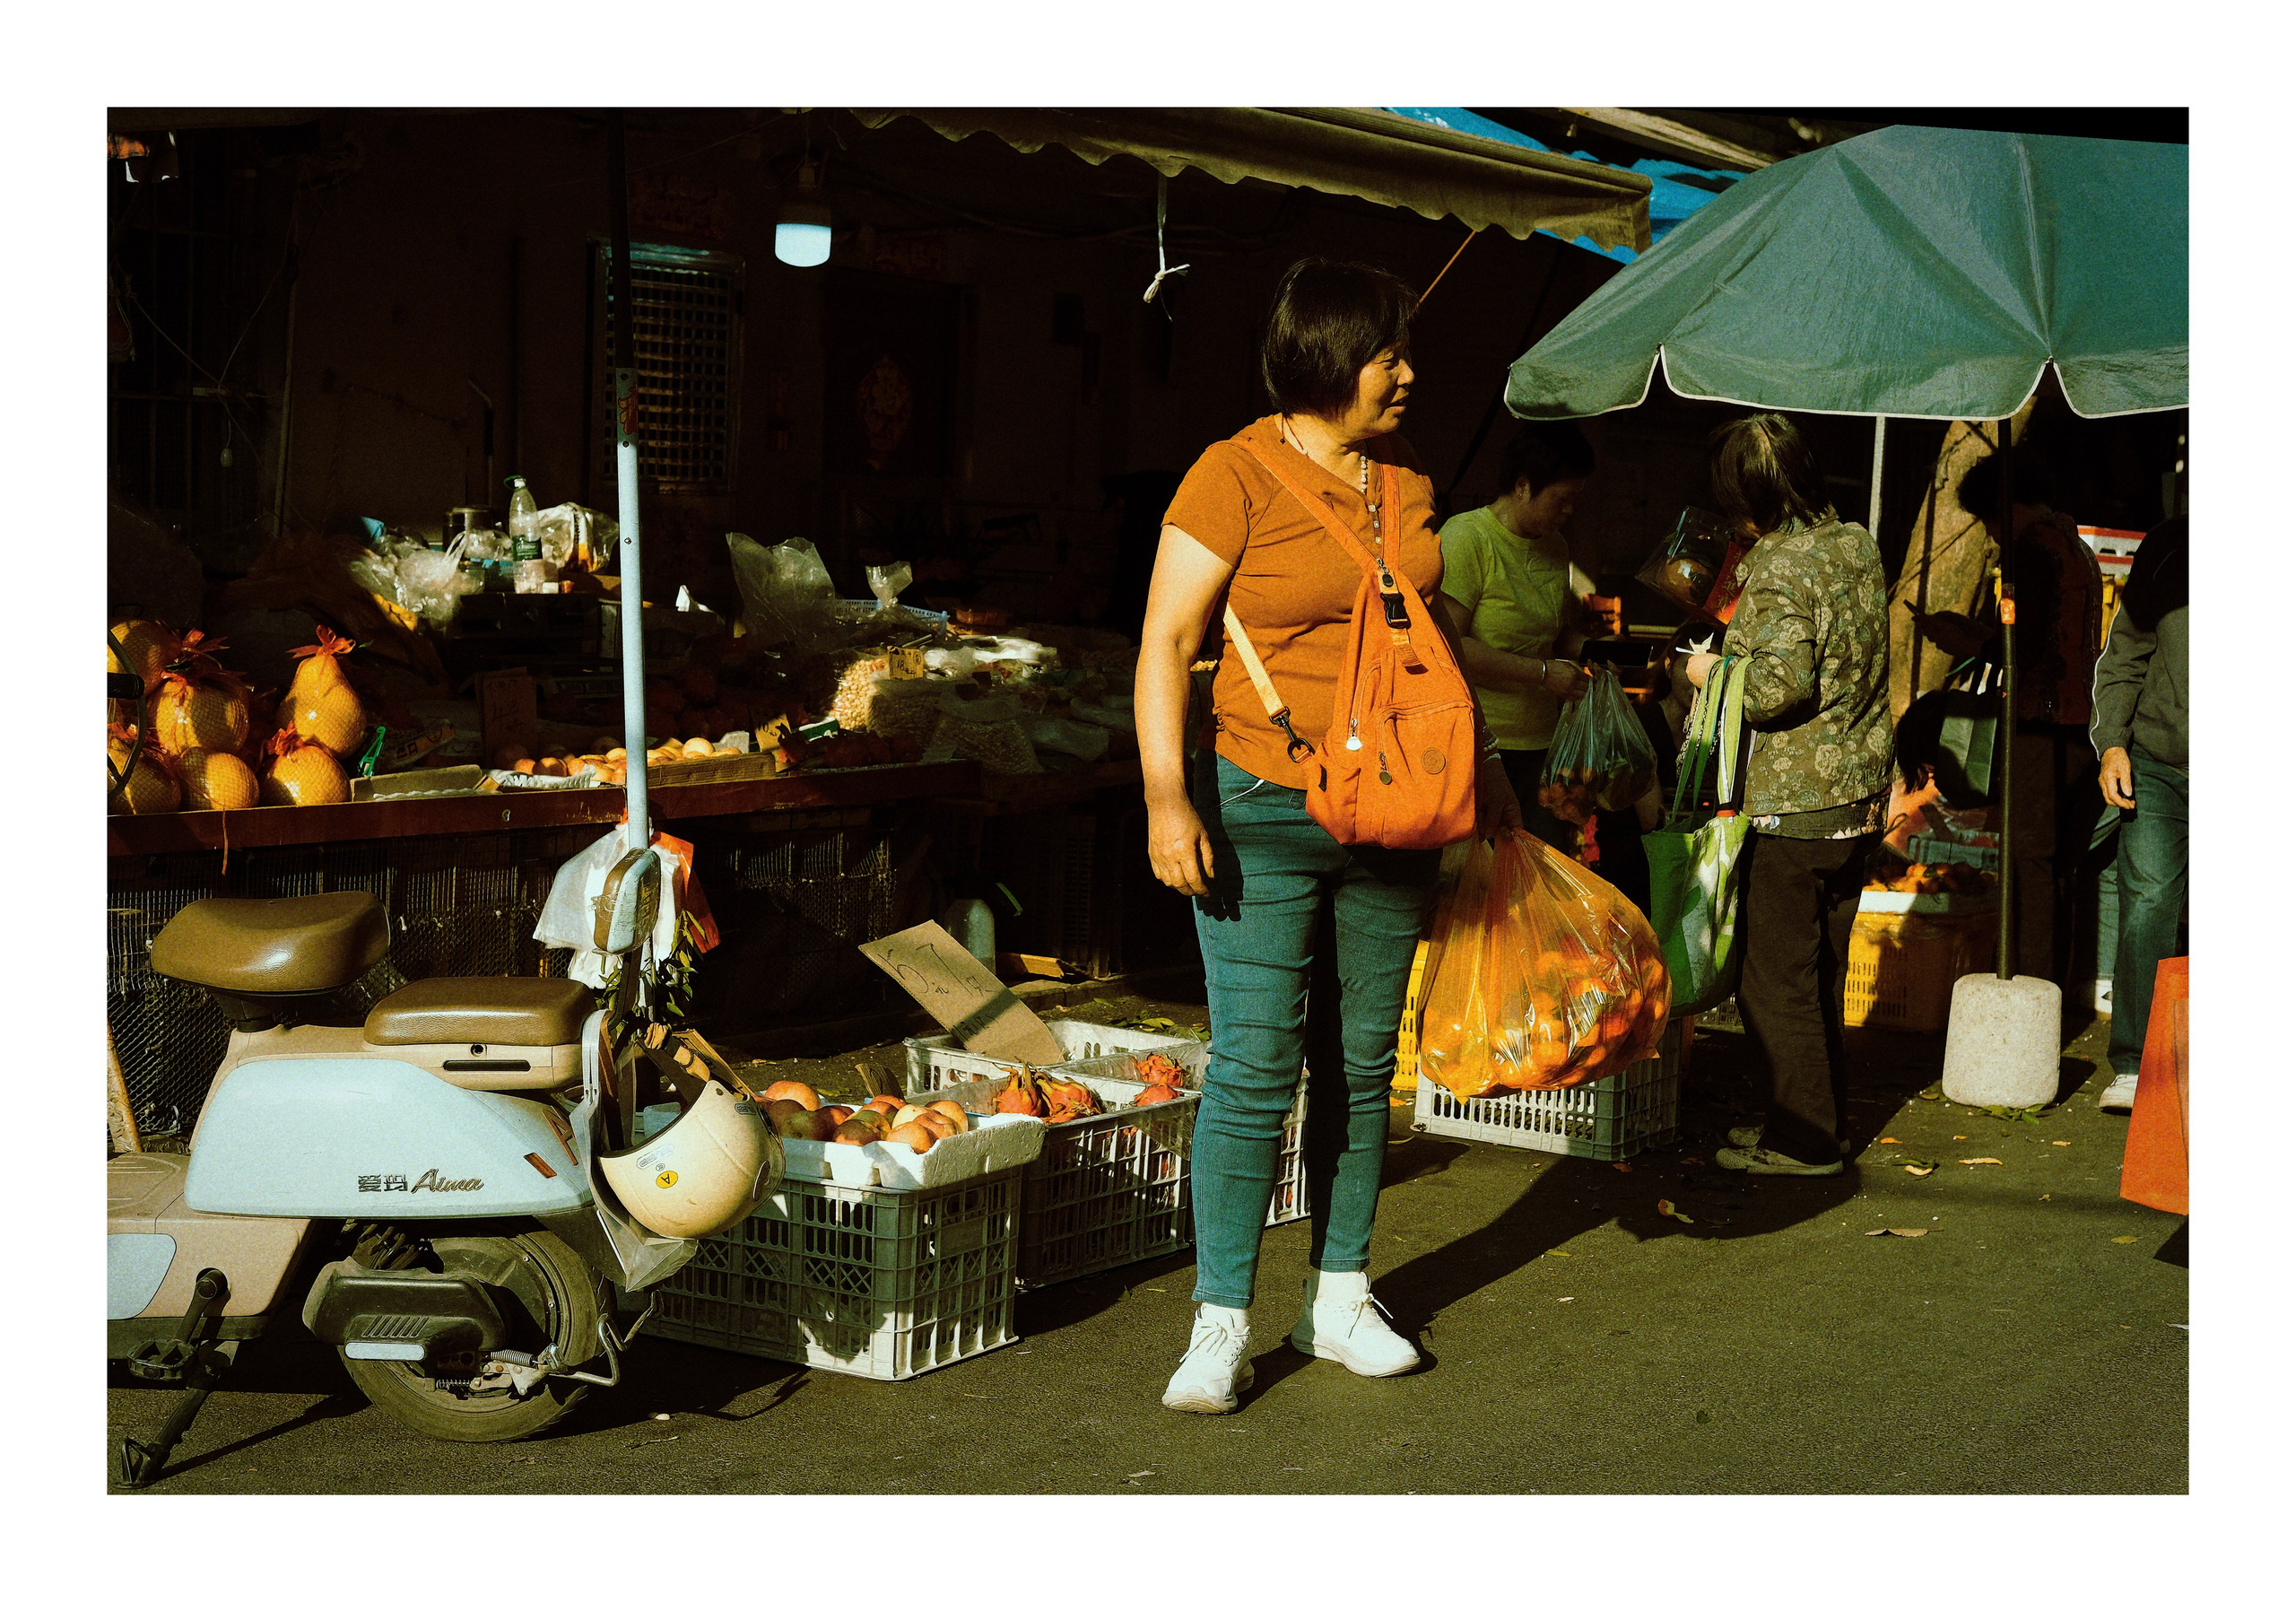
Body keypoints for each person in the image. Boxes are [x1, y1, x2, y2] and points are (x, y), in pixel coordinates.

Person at [1135, 257, 1518, 1414]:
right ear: (1324, 362)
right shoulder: (1230, 476)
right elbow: (1164, 639)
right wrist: (1166, 795)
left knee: (1358, 1067)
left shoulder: (1404, 483)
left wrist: (1486, 764)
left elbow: (1424, 634)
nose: (1407, 371)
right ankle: (1219, 1322)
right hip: (1258, 800)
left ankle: (1341, 1293)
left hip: (1397, 806)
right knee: (1255, 1067)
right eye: (1387, 352)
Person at [1680, 414, 1894, 1177]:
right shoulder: (1855, 542)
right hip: (1860, 795)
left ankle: (1802, 1141)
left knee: (1776, 981)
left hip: (1796, 804)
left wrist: (1710, 674)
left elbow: (1776, 688)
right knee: (1819, 971)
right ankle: (1816, 1125)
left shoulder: (1781, 565)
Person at [1909, 448, 2104, 1003]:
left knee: (2028, 859)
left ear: (2008, 506)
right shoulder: (2072, 545)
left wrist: (1967, 640)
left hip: (2041, 725)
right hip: (2075, 724)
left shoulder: (2034, 550)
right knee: (2050, 863)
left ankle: (2030, 991)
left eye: (1991, 520)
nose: (1992, 535)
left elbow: (2022, 644)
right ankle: (2048, 987)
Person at [1435, 422, 1598, 858]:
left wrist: (1593, 655)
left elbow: (1555, 639)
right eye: (1561, 500)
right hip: (1480, 744)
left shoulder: (1556, 547)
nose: (1568, 513)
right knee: (1478, 883)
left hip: (1542, 746)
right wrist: (1543, 675)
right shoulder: (1467, 537)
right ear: (1523, 486)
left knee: (1535, 878)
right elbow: (1449, 646)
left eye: (1574, 502)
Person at [2089, 516, 2187, 1110]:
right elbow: (2125, 651)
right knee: (2148, 903)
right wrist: (2114, 743)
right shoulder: (2171, 546)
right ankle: (2133, 1064)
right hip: (2157, 758)